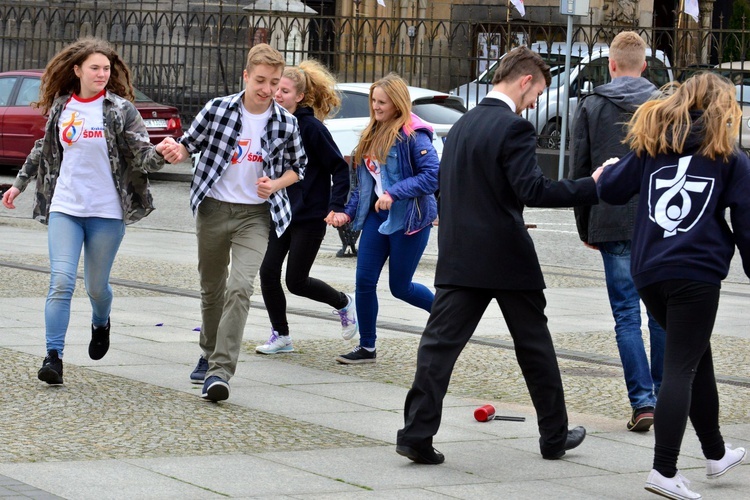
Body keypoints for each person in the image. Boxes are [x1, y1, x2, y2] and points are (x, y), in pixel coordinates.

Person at [396, 46, 600, 465]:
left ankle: (416, 434)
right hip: (506, 259)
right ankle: (554, 437)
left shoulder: (462, 125)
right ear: (525, 80)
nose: (536, 101)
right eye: (538, 92)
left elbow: (454, 189)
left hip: (460, 256)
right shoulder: (514, 128)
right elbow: (534, 190)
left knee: (438, 349)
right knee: (535, 348)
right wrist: (591, 184)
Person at [597, 72, 748, 500]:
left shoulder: (651, 144)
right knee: (681, 367)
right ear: (724, 109)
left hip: (649, 272)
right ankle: (664, 470)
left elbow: (610, 189)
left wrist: (607, 170)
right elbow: (747, 222)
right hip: (696, 274)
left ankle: (717, 454)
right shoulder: (729, 156)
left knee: (697, 358)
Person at [1, 37, 172, 385]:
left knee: (96, 287)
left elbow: (142, 155)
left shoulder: (121, 109)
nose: (102, 74)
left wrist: (163, 153)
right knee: (61, 281)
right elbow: (43, 147)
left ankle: (101, 321)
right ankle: (53, 357)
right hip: (65, 206)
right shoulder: (63, 106)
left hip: (107, 212)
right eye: (95, 67)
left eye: (106, 68)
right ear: (77, 70)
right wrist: (19, 184)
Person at [160, 43, 307, 401]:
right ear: (246, 76)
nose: (267, 89)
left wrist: (274, 183)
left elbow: (298, 168)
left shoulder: (285, 121)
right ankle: (207, 351)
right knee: (213, 288)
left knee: (240, 288)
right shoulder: (218, 109)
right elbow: (187, 145)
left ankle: (220, 371)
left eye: (274, 82)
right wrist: (175, 151)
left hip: (256, 216)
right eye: (260, 80)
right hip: (213, 209)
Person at [569, 31, 665, 432]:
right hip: (660, 219)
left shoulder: (592, 105)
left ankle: (643, 402)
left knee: (626, 314)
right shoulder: (664, 104)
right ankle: (664, 394)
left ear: (610, 64)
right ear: (645, 65)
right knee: (660, 316)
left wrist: (584, 226)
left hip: (610, 218)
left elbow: (579, 170)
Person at [326, 73, 439, 364]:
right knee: (364, 281)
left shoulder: (415, 133)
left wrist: (395, 192)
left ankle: (446, 314)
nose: (375, 107)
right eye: (373, 101)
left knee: (400, 287)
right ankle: (367, 348)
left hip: (410, 219)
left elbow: (431, 176)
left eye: (382, 102)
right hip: (379, 217)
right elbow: (364, 186)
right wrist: (346, 213)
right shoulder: (371, 132)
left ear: (397, 103)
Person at [254, 60, 355, 355]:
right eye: (276, 88)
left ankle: (343, 302)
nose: (277, 94)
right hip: (283, 212)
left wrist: (336, 206)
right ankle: (281, 335)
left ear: (300, 96)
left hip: (310, 215)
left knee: (296, 281)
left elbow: (339, 167)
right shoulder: (275, 123)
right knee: (268, 272)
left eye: (284, 90)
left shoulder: (311, 128)